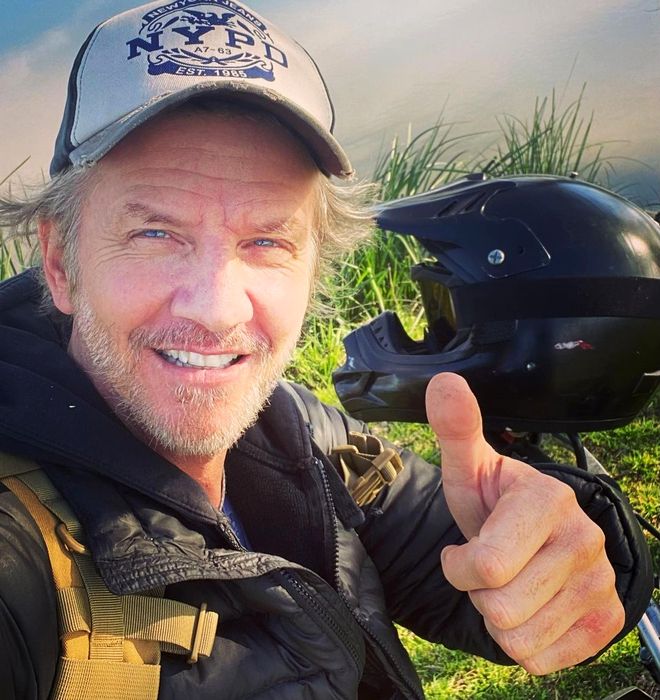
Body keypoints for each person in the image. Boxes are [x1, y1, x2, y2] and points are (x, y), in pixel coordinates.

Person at [0, 2, 652, 698]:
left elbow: (489, 577)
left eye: (267, 241)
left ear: (312, 269)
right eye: (154, 234)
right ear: (60, 263)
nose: (218, 308)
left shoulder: (301, 433)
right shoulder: (19, 552)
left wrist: (569, 547)